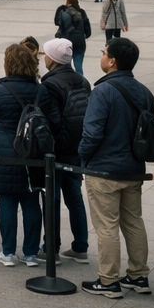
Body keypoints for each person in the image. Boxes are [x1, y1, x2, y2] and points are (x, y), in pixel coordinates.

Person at [77, 37, 154, 298]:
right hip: (133, 168)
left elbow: (92, 133)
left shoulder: (103, 91)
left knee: (107, 226)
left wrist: (83, 157)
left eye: (104, 53)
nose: (101, 56)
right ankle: (139, 275)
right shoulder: (143, 91)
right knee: (133, 222)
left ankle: (108, 280)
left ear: (112, 61)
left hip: (104, 170)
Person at [0, 43, 62, 267]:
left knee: (7, 201)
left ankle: (8, 252)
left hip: (4, 152)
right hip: (33, 152)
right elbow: (53, 121)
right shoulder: (41, 91)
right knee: (31, 201)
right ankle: (31, 253)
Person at [40, 39, 92, 262]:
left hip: (57, 150)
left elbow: (51, 120)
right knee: (74, 197)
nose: (44, 58)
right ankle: (80, 246)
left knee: (51, 199)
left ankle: (51, 248)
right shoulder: (82, 80)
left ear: (52, 58)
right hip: (77, 148)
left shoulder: (50, 84)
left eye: (46, 54)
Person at [55, 0, 91, 75]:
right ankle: (80, 80)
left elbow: (56, 22)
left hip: (65, 41)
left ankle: (67, 79)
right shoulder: (81, 12)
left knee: (65, 65)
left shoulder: (62, 10)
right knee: (78, 66)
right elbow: (88, 29)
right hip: (79, 41)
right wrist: (84, 35)